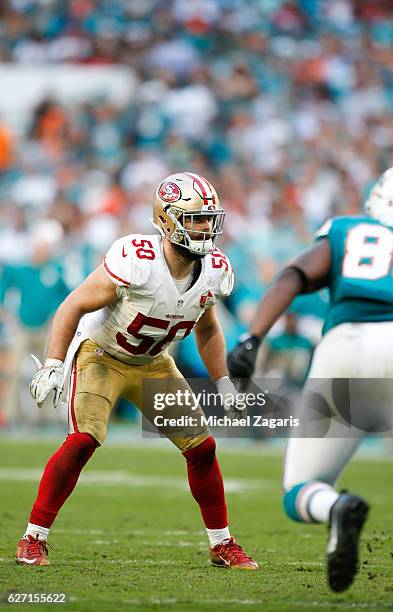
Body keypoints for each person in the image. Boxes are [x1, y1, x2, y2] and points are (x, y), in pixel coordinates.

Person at [15, 172, 257, 571]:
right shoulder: (136, 259)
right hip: (102, 356)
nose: (204, 227)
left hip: (154, 365)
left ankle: (222, 544)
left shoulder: (213, 267)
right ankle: (33, 537)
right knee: (83, 441)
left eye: (208, 219)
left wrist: (224, 382)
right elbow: (72, 306)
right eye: (194, 218)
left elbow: (209, 327)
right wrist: (56, 363)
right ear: (167, 219)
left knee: (202, 447)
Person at [228, 166, 393, 592]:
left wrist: (252, 338)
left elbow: (294, 275)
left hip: (346, 348)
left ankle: (335, 507)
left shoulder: (347, 230)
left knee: (298, 491)